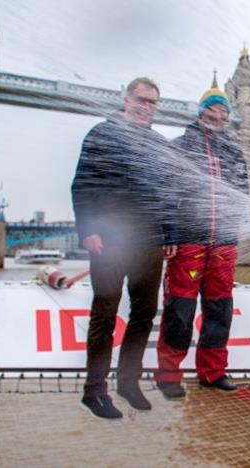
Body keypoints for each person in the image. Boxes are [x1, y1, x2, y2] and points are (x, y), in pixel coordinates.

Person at [71, 77, 178, 419]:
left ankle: (128, 383)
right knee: (104, 315)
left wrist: (171, 233)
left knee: (144, 315)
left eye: (152, 102)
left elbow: (169, 194)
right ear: (126, 100)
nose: (146, 107)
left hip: (149, 240)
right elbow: (82, 184)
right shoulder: (102, 135)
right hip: (109, 240)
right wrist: (88, 229)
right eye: (141, 100)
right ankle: (94, 391)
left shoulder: (160, 144)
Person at [155, 84, 249, 400]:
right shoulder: (180, 146)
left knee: (219, 310)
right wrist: (169, 232)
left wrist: (234, 228)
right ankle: (169, 375)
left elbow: (242, 194)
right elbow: (166, 192)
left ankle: (212, 372)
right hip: (189, 241)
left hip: (223, 243)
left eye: (223, 110)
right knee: (179, 309)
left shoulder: (234, 151)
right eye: (212, 109)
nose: (218, 115)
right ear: (200, 112)